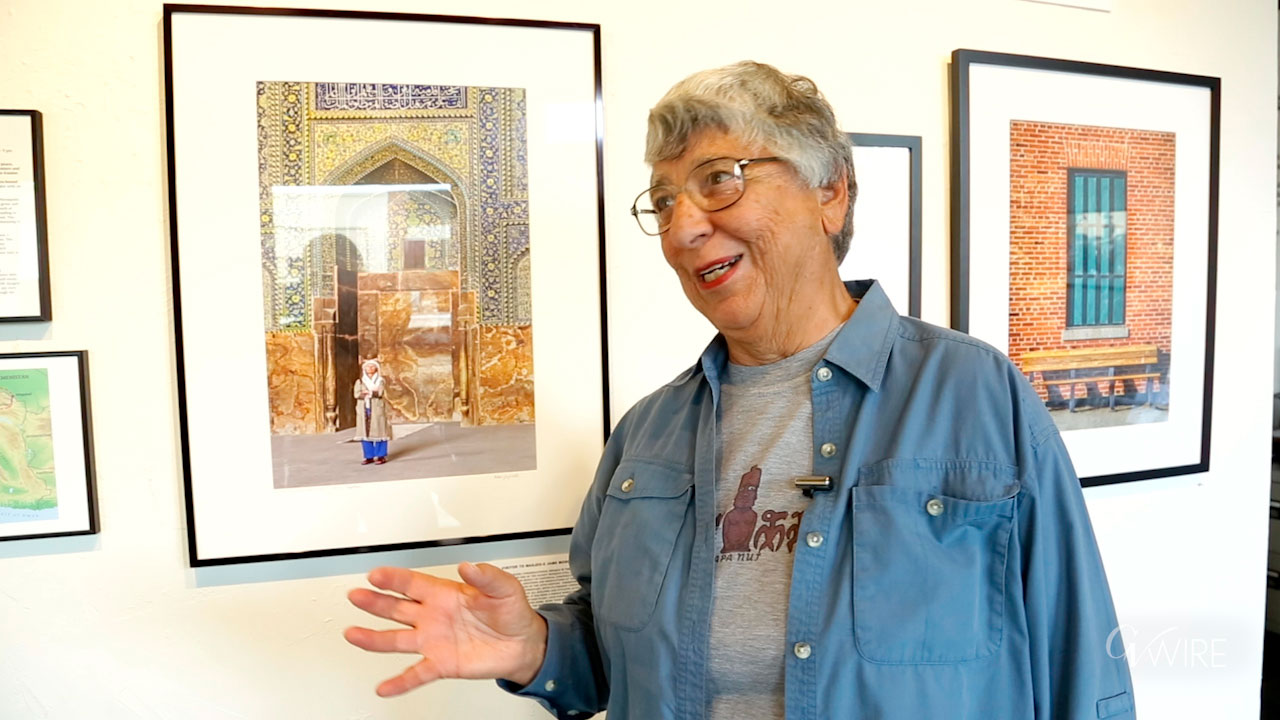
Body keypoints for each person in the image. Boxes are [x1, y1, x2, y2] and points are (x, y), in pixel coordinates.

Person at [345, 61, 1136, 719]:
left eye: (719, 181)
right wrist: (536, 649)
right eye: (662, 201)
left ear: (831, 192)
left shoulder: (975, 396)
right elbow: (613, 659)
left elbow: (1080, 661)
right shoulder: (645, 436)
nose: (683, 227)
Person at [354, 359, 391, 465]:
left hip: (376, 408)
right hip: (364, 408)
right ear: (364, 369)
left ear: (376, 368)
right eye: (368, 367)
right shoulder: (360, 381)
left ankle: (381, 455)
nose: (370, 369)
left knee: (380, 430)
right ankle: (368, 456)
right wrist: (367, 393)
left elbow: (380, 392)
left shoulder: (380, 380)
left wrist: (368, 392)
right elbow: (356, 394)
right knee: (364, 432)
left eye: (372, 366)